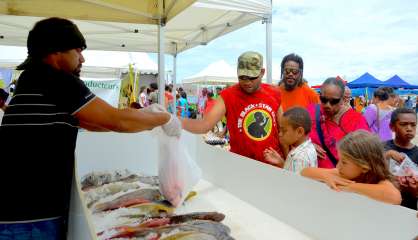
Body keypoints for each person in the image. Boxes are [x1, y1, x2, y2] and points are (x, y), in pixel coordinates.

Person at [0, 17, 181, 239]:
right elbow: (117, 121)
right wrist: (164, 119)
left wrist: (146, 117)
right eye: (78, 50)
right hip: (31, 215)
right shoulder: (57, 80)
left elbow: (94, 123)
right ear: (56, 51)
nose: (82, 58)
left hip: (15, 208)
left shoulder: (31, 78)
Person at [182, 51, 282, 163]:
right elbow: (205, 124)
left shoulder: (274, 93)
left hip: (272, 166)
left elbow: (283, 130)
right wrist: (174, 121)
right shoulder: (228, 95)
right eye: (242, 77)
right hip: (240, 165)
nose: (247, 82)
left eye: (252, 77)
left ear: (262, 72)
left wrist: (285, 162)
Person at [301, 130, 402, 205]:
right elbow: (305, 172)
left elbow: (395, 197)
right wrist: (326, 176)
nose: (338, 166)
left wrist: (349, 187)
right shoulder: (344, 174)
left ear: (364, 167)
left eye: (344, 162)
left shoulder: (380, 181)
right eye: (339, 160)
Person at [307, 77, 370, 168]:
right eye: (324, 100)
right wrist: (308, 146)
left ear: (343, 100)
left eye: (333, 101)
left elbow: (365, 154)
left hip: (340, 177)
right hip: (310, 176)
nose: (327, 105)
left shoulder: (356, 120)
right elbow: (295, 136)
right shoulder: (311, 111)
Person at [263, 107, 317, 173]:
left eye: (284, 130)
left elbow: (292, 182)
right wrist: (281, 162)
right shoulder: (308, 148)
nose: (280, 134)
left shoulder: (299, 158)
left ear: (299, 132)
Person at [384, 108, 418, 210]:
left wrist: (414, 189)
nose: (409, 128)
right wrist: (387, 155)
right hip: (383, 204)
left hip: (407, 208)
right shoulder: (381, 148)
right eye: (403, 124)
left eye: (413, 125)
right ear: (392, 127)